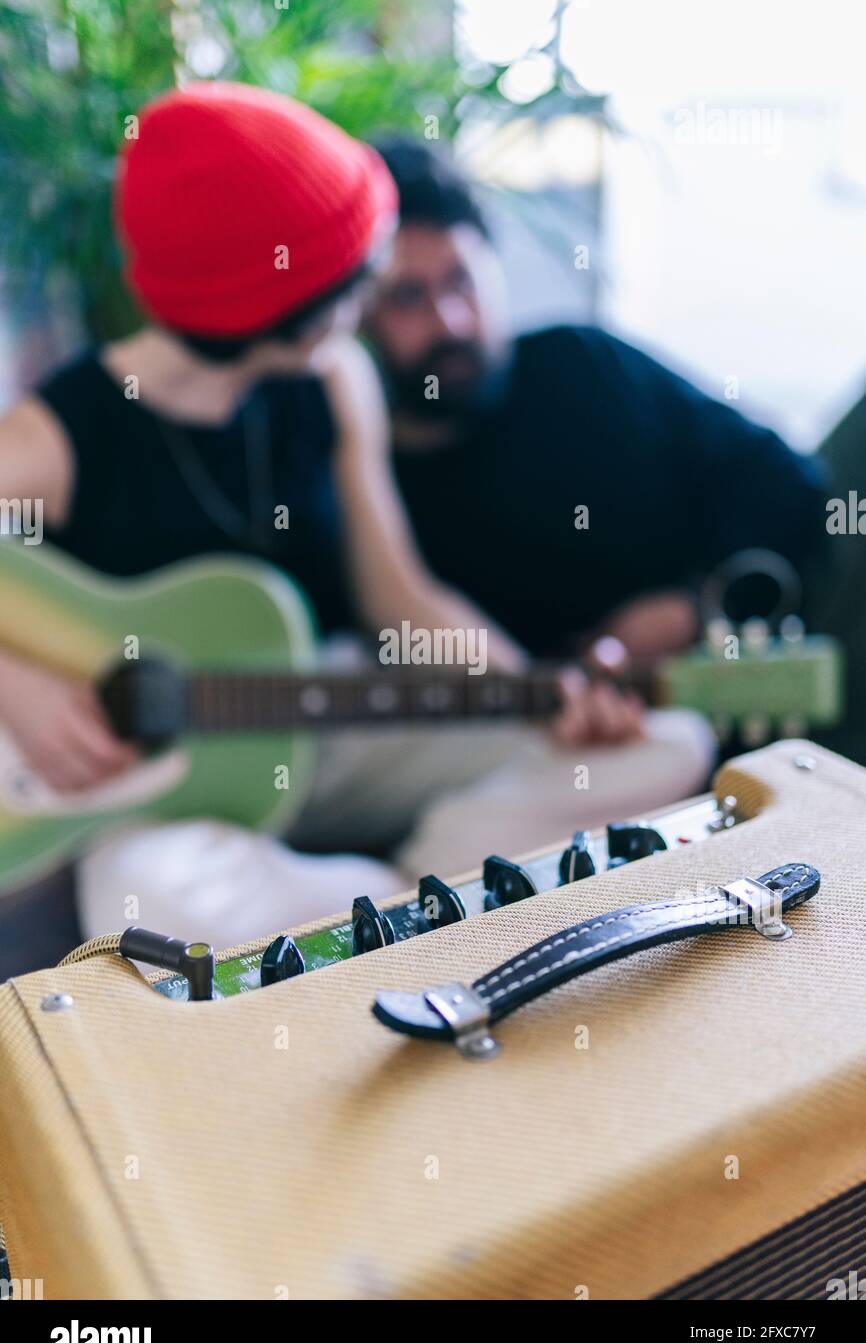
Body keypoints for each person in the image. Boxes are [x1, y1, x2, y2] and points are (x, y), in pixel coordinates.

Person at [0, 86, 712, 953]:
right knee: (144, 900)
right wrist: (23, 690)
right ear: (277, 307)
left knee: (670, 743)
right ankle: (410, 902)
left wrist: (534, 687)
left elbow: (400, 595)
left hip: (328, 710)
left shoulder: (335, 380)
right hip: (160, 781)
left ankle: (399, 902)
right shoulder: (57, 439)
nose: (374, 287)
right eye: (355, 271)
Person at [363, 138, 827, 665]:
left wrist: (691, 609)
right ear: (361, 314)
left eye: (461, 281)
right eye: (408, 297)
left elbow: (788, 484)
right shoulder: (366, 477)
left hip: (748, 648)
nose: (451, 321)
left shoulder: (581, 364)